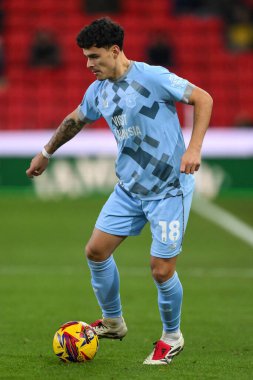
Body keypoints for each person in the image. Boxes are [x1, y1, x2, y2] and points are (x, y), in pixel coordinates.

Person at [26, 18, 213, 365]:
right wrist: (46, 153)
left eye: (94, 56)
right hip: (129, 189)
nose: (88, 64)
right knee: (96, 251)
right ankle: (113, 321)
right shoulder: (98, 90)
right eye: (85, 57)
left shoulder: (152, 77)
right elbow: (75, 120)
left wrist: (195, 148)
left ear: (115, 51)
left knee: (161, 270)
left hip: (168, 190)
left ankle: (172, 336)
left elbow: (203, 99)